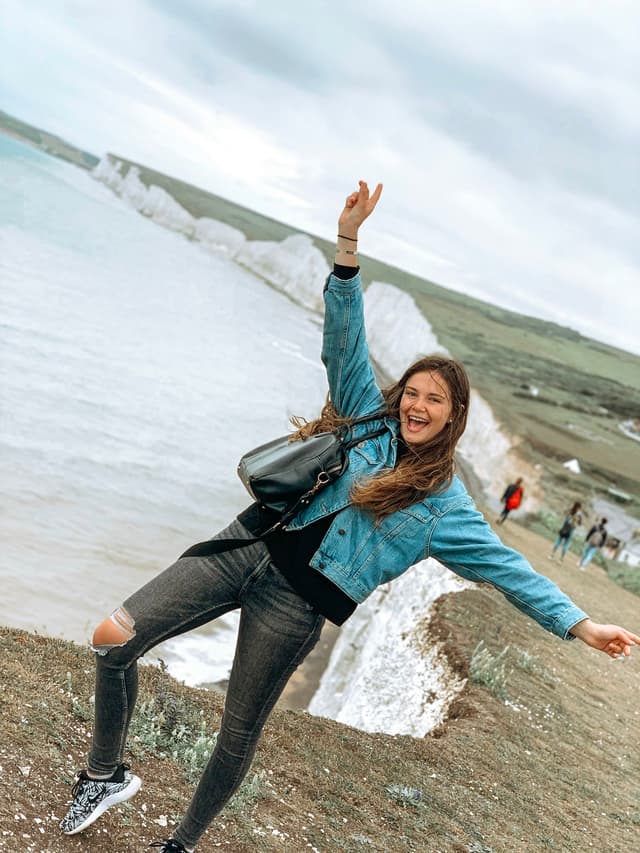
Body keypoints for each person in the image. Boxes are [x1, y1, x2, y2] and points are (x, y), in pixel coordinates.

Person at [60, 181, 639, 853]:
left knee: (237, 731)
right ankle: (104, 774)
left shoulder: (448, 507)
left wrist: (580, 622)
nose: (417, 406)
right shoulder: (366, 414)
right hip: (247, 542)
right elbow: (344, 335)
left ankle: (182, 844)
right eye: (412, 393)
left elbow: (512, 571)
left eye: (434, 401)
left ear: (454, 418)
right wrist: (348, 245)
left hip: (297, 608)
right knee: (114, 635)